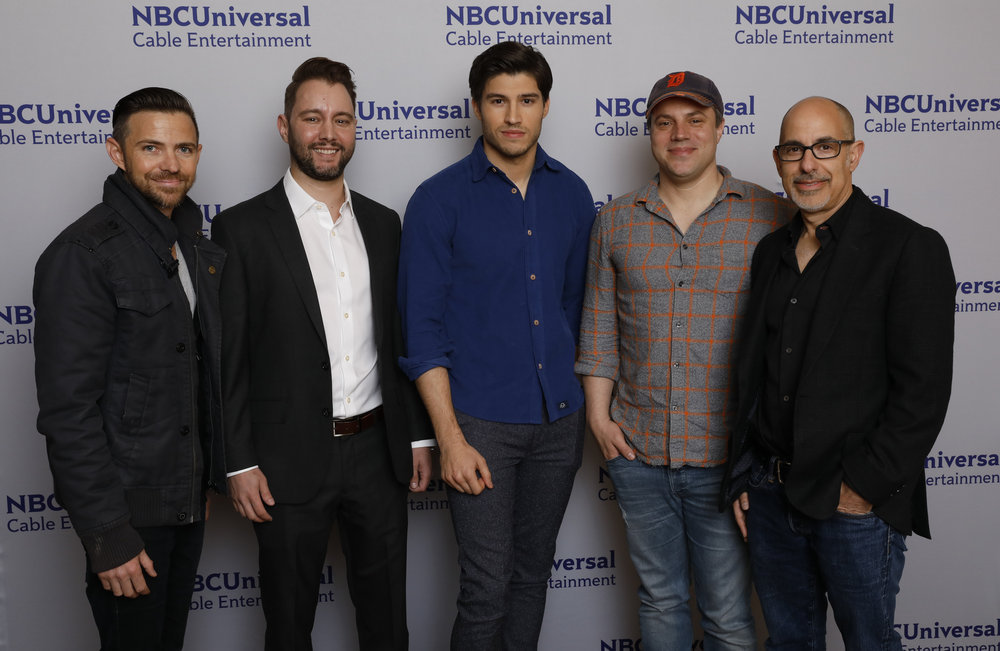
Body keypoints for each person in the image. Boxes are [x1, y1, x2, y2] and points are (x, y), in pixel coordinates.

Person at [211, 57, 433, 651]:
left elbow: (398, 340)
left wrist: (417, 436)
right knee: (289, 627)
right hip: (284, 461)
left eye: (341, 119)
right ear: (284, 126)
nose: (327, 133)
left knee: (388, 626)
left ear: (355, 128)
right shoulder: (240, 229)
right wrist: (237, 462)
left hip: (378, 455)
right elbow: (229, 358)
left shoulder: (384, 225)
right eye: (312, 118)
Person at [724, 96, 955, 649]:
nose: (808, 164)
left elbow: (923, 392)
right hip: (771, 497)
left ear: (854, 154)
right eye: (794, 149)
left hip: (853, 502)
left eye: (825, 147)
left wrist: (863, 488)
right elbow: (755, 374)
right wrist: (745, 473)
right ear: (778, 160)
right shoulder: (770, 252)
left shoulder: (908, 246)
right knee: (789, 643)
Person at [576, 71, 792, 650]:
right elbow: (599, 329)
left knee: (727, 613)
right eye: (665, 122)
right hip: (638, 452)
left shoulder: (770, 216)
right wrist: (599, 419)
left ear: (719, 129)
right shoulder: (616, 220)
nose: (680, 134)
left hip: (727, 461)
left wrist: (759, 454)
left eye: (696, 120)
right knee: (660, 600)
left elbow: (791, 341)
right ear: (650, 132)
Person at [397, 41, 595, 651]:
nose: (513, 115)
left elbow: (573, 310)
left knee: (532, 579)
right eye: (498, 100)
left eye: (526, 100)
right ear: (476, 106)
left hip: (559, 422)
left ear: (546, 106)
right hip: (478, 424)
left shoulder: (573, 194)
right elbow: (421, 331)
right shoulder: (438, 199)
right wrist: (450, 438)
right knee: (486, 590)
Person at [33, 87, 225, 650]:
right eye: (151, 148)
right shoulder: (82, 254)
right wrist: (107, 535)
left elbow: (192, 376)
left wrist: (201, 477)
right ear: (117, 152)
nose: (171, 164)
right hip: (126, 521)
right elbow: (68, 413)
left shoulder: (190, 244)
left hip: (183, 505)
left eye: (184, 149)